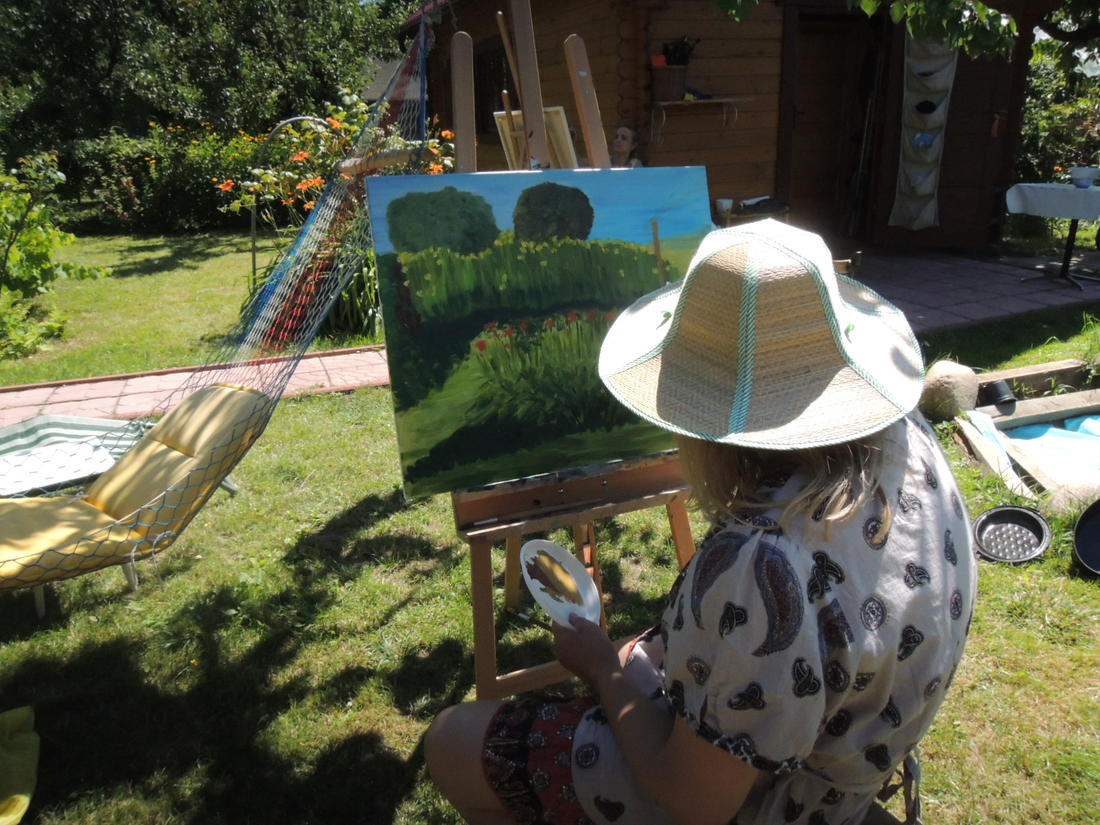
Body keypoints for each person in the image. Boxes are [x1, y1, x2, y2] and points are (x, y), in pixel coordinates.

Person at [425, 219, 977, 825]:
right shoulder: (905, 439)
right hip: (854, 749)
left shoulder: (763, 564)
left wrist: (603, 670)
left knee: (453, 741)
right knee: (631, 660)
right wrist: (650, 657)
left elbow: (694, 800)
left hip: (776, 803)